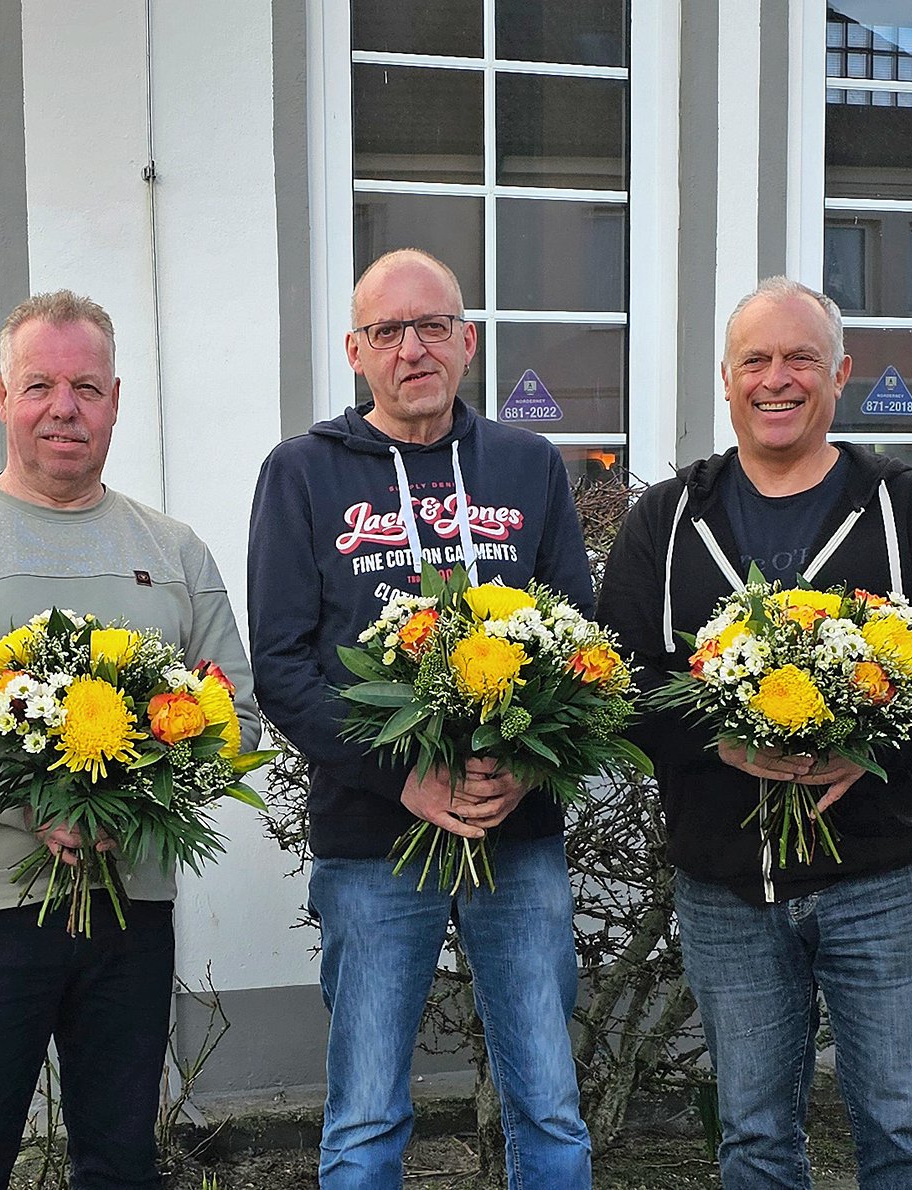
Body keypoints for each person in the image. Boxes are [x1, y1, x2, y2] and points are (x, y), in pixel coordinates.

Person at [594, 278, 912, 1187]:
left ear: (841, 374)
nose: (777, 380)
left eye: (801, 359)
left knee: (902, 1132)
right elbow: (616, 681)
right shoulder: (666, 521)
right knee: (754, 1138)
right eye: (756, 361)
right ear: (727, 380)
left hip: (877, 877)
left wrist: (873, 745)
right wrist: (718, 739)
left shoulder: (903, 506)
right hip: (724, 885)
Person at [0, 289, 259, 1190]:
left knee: (119, 1160)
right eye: (40, 385)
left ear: (116, 399)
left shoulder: (176, 551)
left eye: (87, 387)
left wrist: (137, 800)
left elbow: (238, 716)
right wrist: (27, 800)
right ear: (2, 395)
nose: (63, 408)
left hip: (131, 906)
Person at [246, 248, 596, 1188]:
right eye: (388, 332)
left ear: (468, 343)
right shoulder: (302, 474)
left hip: (516, 833)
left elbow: (581, 642)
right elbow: (280, 667)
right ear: (355, 350)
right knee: (365, 1117)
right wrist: (401, 774)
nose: (413, 349)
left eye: (433, 326)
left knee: (550, 1106)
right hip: (372, 841)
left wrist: (523, 765)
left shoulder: (528, 466)